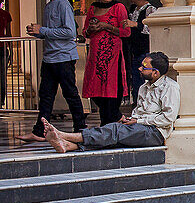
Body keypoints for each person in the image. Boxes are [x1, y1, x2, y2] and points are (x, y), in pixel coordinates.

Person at [40, 52, 179, 152]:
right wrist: (132, 119)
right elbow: (138, 111)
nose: (140, 69)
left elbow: (168, 118)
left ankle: (64, 135)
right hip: (140, 127)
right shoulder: (144, 87)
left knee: (114, 131)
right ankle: (70, 146)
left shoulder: (169, 87)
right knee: (114, 132)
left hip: (155, 132)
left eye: (144, 67)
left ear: (155, 73)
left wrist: (139, 121)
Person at [21, 0, 86, 142]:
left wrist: (43, 30)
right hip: (50, 57)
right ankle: (40, 130)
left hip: (64, 57)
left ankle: (80, 128)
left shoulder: (64, 4)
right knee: (46, 95)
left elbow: (69, 32)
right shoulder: (49, 6)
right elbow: (52, 31)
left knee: (70, 93)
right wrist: (39, 32)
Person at [123, 0, 155, 107]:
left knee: (144, 82)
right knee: (136, 83)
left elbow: (152, 29)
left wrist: (136, 25)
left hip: (144, 52)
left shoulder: (150, 9)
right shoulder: (133, 10)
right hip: (134, 52)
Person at [0, 1, 9, 104]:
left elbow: (9, 32)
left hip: (2, 48)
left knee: (2, 76)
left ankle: (1, 100)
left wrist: (10, 48)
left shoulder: (5, 14)